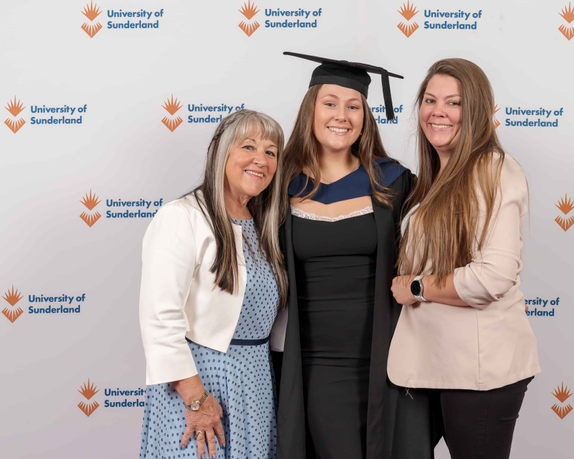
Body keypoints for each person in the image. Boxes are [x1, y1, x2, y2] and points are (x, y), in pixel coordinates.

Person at [273, 52, 437, 459]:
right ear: (310, 109)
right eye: (329, 103)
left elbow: (444, 240)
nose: (340, 116)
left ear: (366, 116)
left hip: (388, 361)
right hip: (315, 366)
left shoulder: (393, 183)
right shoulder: (279, 189)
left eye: (353, 106)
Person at [388, 58, 541, 459]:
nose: (438, 111)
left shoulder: (493, 170)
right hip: (436, 366)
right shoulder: (435, 177)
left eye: (453, 103)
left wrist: (418, 287)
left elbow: (494, 276)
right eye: (430, 99)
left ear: (475, 112)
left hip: (481, 375)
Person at [139, 110, 288, 459]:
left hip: (254, 381)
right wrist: (196, 399)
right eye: (248, 146)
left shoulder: (266, 227)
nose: (260, 160)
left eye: (271, 151)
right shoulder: (182, 217)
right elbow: (160, 318)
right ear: (221, 153)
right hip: (199, 385)